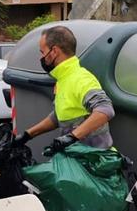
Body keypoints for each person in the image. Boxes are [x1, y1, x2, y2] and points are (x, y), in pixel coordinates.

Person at [12, 26, 115, 155]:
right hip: (77, 160)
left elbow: (105, 110)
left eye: (42, 52)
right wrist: (28, 134)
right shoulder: (63, 79)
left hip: (94, 162)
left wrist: (71, 137)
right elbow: (59, 116)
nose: (42, 58)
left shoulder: (81, 78)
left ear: (54, 51)